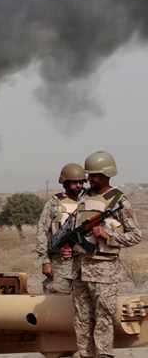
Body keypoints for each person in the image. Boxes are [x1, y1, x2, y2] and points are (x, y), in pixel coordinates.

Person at [61, 151, 142, 358]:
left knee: (103, 319)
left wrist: (109, 236)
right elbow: (75, 227)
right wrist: (68, 246)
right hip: (80, 270)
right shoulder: (83, 196)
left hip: (104, 272)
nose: (89, 179)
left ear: (107, 174)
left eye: (94, 175)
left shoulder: (118, 201)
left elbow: (135, 236)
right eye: (89, 175)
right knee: (82, 319)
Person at [35, 163, 86, 294]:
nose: (78, 186)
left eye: (81, 182)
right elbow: (42, 231)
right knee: (56, 303)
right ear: (65, 182)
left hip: (84, 265)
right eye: (75, 182)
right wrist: (45, 261)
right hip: (60, 263)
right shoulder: (54, 204)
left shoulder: (87, 203)